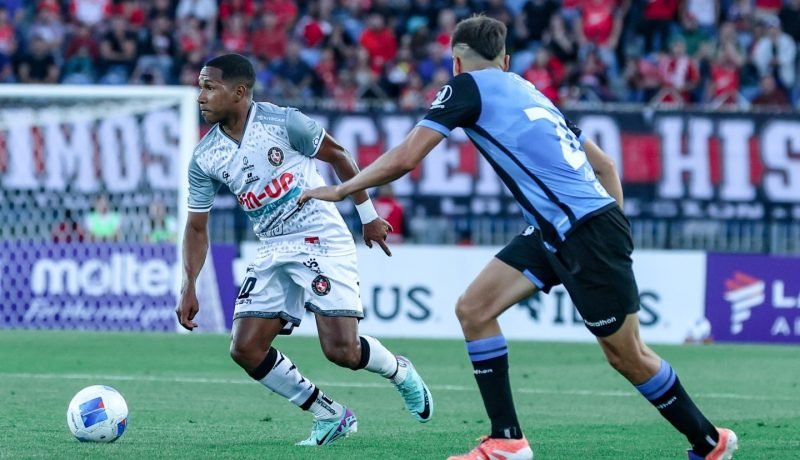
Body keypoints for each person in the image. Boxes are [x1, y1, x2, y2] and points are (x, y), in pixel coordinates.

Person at [298, 16, 737, 460]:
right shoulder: (529, 90)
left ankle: (708, 441)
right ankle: (507, 441)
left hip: (583, 231)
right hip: (565, 229)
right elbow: (604, 164)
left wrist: (342, 189)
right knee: (475, 308)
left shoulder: (465, 86)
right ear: (505, 60)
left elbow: (408, 156)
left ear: (455, 63)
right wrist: (612, 227)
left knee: (628, 356)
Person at [175, 54, 433, 447]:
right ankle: (330, 414)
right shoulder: (205, 156)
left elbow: (340, 156)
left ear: (239, 92)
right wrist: (189, 283)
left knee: (342, 351)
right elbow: (196, 226)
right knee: (245, 348)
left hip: (319, 236)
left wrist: (367, 215)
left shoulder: (283, 122)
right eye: (200, 87)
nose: (201, 96)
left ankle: (399, 371)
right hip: (272, 246)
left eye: (210, 87)